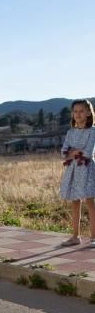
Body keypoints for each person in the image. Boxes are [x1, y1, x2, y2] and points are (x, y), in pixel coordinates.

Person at [60, 99, 95, 247]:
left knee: (90, 202)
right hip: (73, 170)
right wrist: (74, 152)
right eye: (75, 111)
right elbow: (63, 152)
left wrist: (72, 152)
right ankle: (75, 236)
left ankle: (94, 237)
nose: (78, 114)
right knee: (75, 202)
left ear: (88, 113)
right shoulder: (70, 132)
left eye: (81, 111)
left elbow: (87, 152)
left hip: (86, 170)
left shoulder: (93, 131)